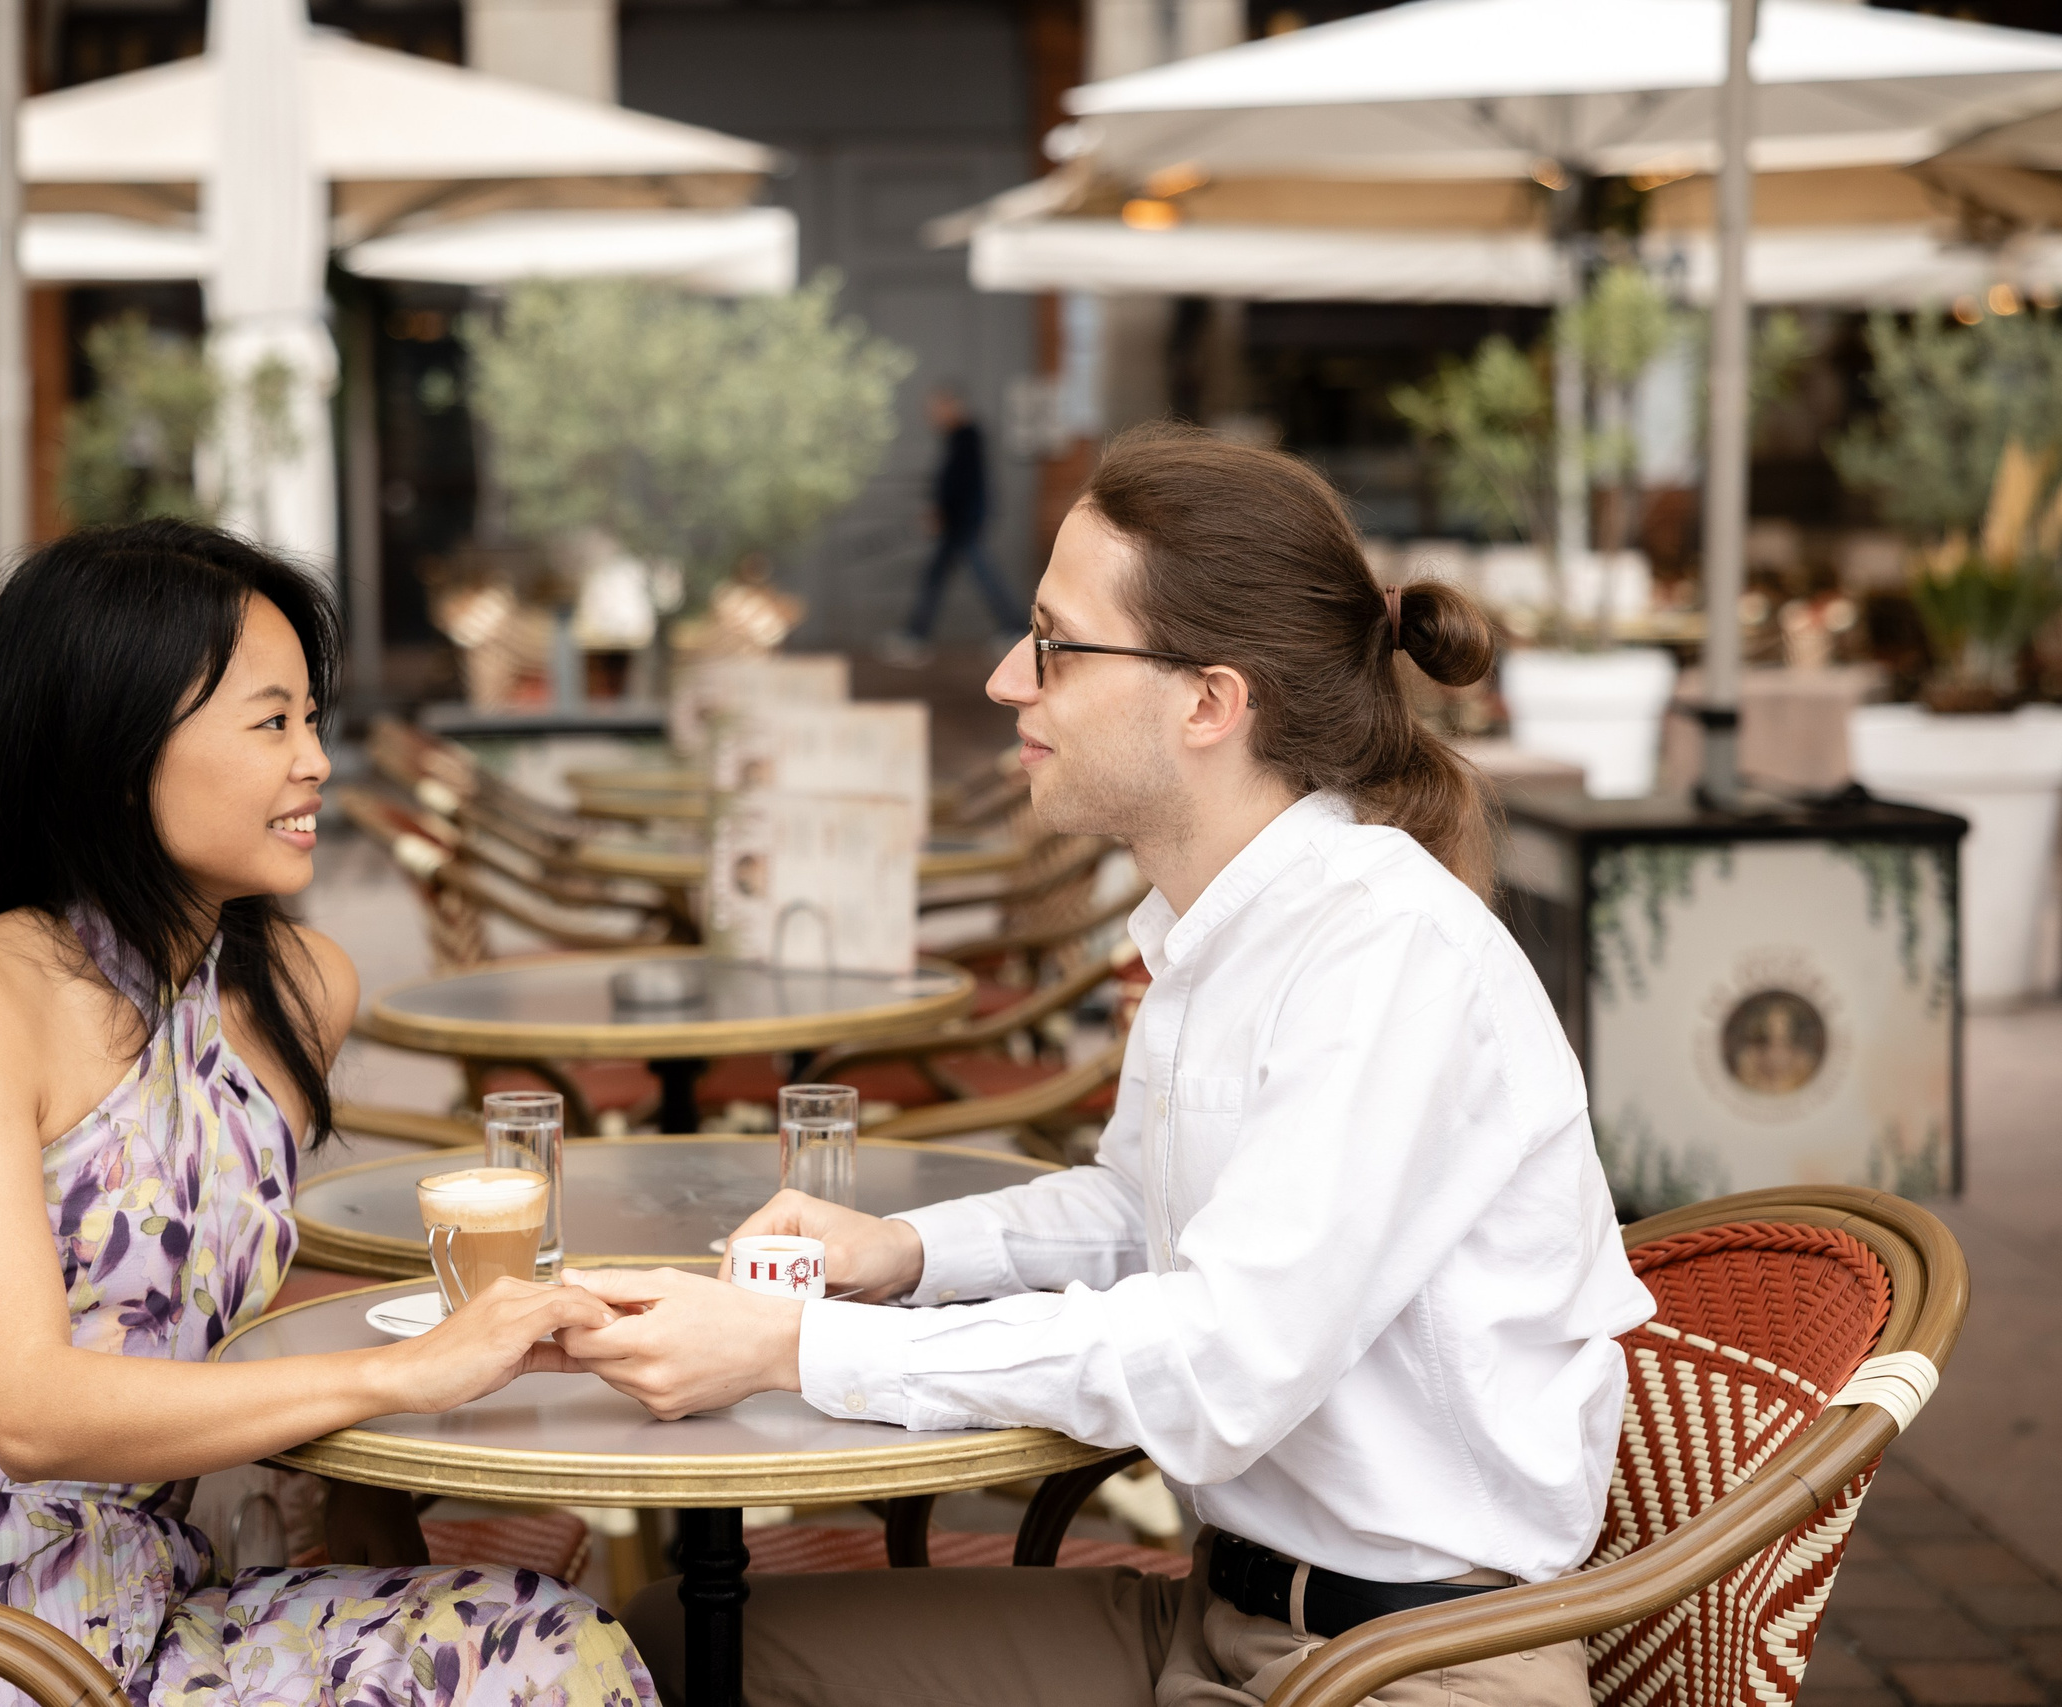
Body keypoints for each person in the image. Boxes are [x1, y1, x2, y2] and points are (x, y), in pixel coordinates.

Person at [559, 425, 1656, 1707]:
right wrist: (902, 1255)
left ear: (1208, 702)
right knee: (676, 1645)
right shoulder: (1222, 927)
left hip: (1411, 1666)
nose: (1003, 681)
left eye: (1055, 645)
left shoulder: (1388, 956)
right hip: (1217, 1612)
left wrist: (796, 1347)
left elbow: (1216, 1363)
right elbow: (1139, 1215)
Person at [0, 520, 653, 1707]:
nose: (314, 763)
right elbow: (35, 1415)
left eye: (310, 718)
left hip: (161, 1608)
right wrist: (402, 1376)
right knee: (536, 1653)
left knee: (546, 1635)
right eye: (270, 722)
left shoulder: (294, 992)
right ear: (117, 744)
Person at [881, 383, 1025, 663]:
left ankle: (1015, 629)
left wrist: (942, 512)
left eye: (937, 408)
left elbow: (959, 484)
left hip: (962, 523)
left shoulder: (966, 437)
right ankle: (916, 635)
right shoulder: (959, 437)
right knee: (943, 578)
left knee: (973, 577)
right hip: (958, 522)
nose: (933, 415)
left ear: (952, 406)